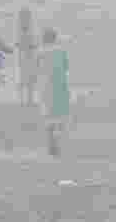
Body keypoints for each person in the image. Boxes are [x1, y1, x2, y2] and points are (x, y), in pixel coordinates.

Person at [38, 27, 70, 157]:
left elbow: (37, 69)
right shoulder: (61, 51)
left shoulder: (40, 53)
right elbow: (66, 67)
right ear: (55, 38)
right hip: (60, 86)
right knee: (60, 116)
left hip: (46, 86)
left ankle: (51, 140)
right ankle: (57, 138)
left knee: (49, 117)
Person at [15, 8, 39, 107]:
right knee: (27, 81)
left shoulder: (22, 30)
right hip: (27, 57)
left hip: (25, 57)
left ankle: (25, 100)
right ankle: (26, 100)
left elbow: (20, 44)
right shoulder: (27, 30)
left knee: (26, 81)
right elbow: (32, 44)